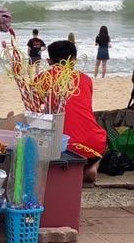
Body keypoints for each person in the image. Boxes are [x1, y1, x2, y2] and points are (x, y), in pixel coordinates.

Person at [46, 40, 107, 183]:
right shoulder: (85, 79)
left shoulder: (43, 79)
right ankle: (93, 166)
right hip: (94, 146)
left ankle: (69, 172)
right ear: (74, 60)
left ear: (49, 61)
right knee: (105, 137)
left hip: (61, 147)